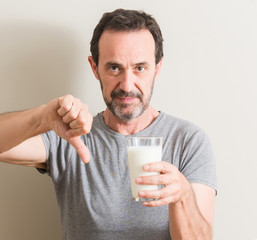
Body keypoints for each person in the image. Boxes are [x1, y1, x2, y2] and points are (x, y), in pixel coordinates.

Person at [0, 8, 217, 240]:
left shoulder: (189, 141)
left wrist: (183, 196)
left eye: (140, 68)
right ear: (95, 68)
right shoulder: (69, 134)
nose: (127, 85)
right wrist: (41, 117)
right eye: (114, 68)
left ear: (157, 69)